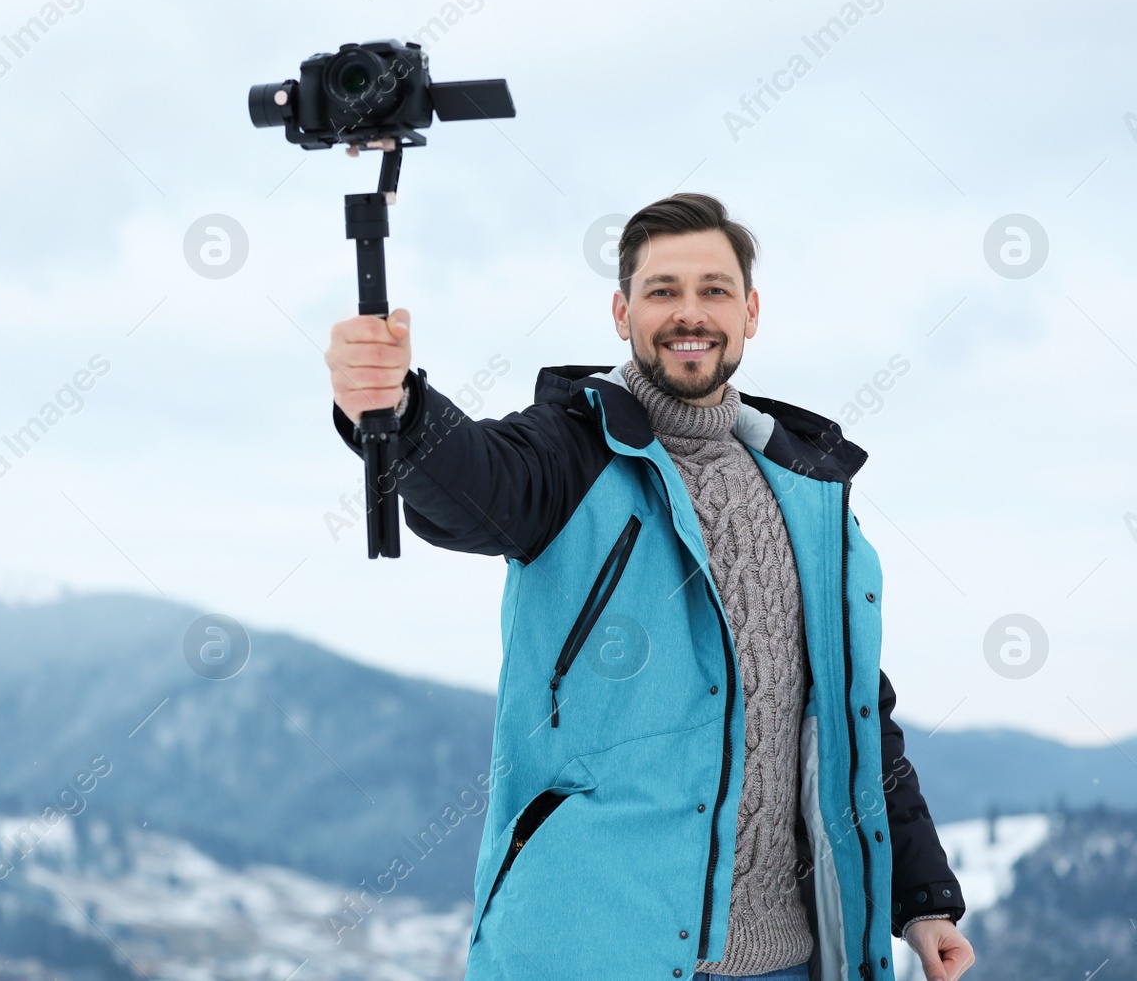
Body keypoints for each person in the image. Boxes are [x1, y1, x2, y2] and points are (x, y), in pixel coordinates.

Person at [325, 193, 976, 981]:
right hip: (593, 953)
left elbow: (854, 713)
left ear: (751, 310)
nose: (689, 312)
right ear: (621, 310)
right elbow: (476, 483)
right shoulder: (571, 454)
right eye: (662, 290)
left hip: (785, 964)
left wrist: (923, 895)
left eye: (714, 289)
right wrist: (396, 408)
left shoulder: (805, 491)